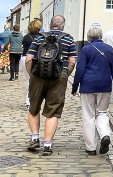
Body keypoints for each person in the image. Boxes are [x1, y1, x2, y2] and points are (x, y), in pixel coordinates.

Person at [24, 14, 76, 156]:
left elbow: (28, 59)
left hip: (38, 75)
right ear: (62, 25)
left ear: (50, 24)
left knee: (34, 107)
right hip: (59, 76)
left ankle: (34, 138)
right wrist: (65, 74)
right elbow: (72, 61)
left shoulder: (39, 37)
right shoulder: (68, 39)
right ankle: (47, 144)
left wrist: (32, 75)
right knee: (53, 110)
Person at [72, 25, 113, 156]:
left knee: (88, 115)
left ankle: (91, 147)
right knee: (102, 113)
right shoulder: (109, 49)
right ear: (101, 36)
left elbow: (80, 69)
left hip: (87, 85)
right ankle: (105, 135)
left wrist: (75, 86)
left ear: (89, 37)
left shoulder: (86, 49)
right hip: (104, 85)